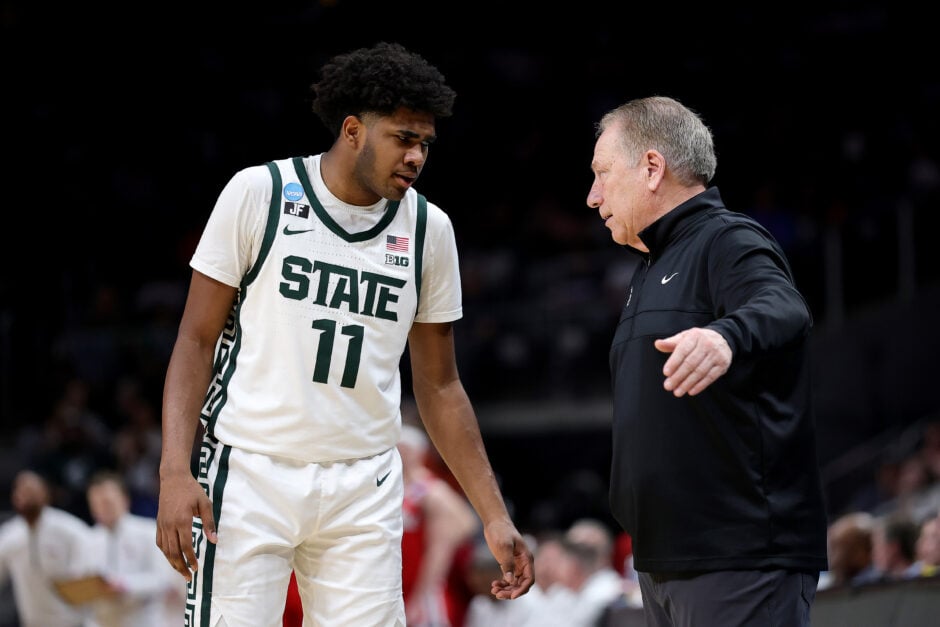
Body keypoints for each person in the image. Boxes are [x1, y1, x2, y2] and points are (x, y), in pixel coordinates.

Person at [155, 41, 534, 626]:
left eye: (425, 144)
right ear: (354, 129)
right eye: (402, 139)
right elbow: (195, 341)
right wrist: (175, 472)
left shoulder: (431, 230)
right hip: (249, 468)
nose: (416, 157)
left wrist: (493, 512)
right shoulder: (259, 194)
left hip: (364, 480)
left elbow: (439, 386)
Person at [586, 95, 829, 625]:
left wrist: (726, 336)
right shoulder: (650, 267)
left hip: (738, 560)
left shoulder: (728, 238)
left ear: (652, 168)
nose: (592, 196)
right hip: (663, 563)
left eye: (602, 174)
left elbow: (784, 306)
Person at [398, 422, 480, 627]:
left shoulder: (430, 490)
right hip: (397, 580)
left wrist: (424, 591)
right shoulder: (390, 487)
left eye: (404, 449)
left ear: (418, 453)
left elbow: (465, 524)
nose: (400, 455)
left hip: (422, 583)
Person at [83, 470, 184, 627]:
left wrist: (125, 585)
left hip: (142, 620)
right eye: (96, 503)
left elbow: (164, 579)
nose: (102, 508)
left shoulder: (149, 531)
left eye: (107, 502)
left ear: (124, 500)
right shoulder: (89, 538)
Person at [0, 469, 92, 627]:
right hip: (33, 621)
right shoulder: (10, 535)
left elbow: (89, 568)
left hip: (72, 622)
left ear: (44, 494)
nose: (24, 495)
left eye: (30, 490)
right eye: (20, 490)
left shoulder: (70, 529)